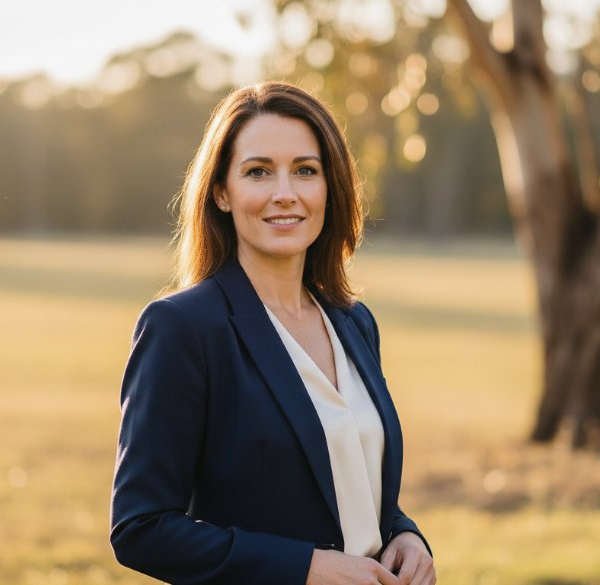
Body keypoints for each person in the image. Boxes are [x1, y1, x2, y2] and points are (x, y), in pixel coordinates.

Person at [109, 81, 435, 585]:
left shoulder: (353, 321)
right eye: (258, 172)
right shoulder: (183, 328)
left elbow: (347, 476)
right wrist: (306, 568)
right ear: (221, 191)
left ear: (330, 187)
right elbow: (141, 528)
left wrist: (405, 534)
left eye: (305, 170)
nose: (286, 194)